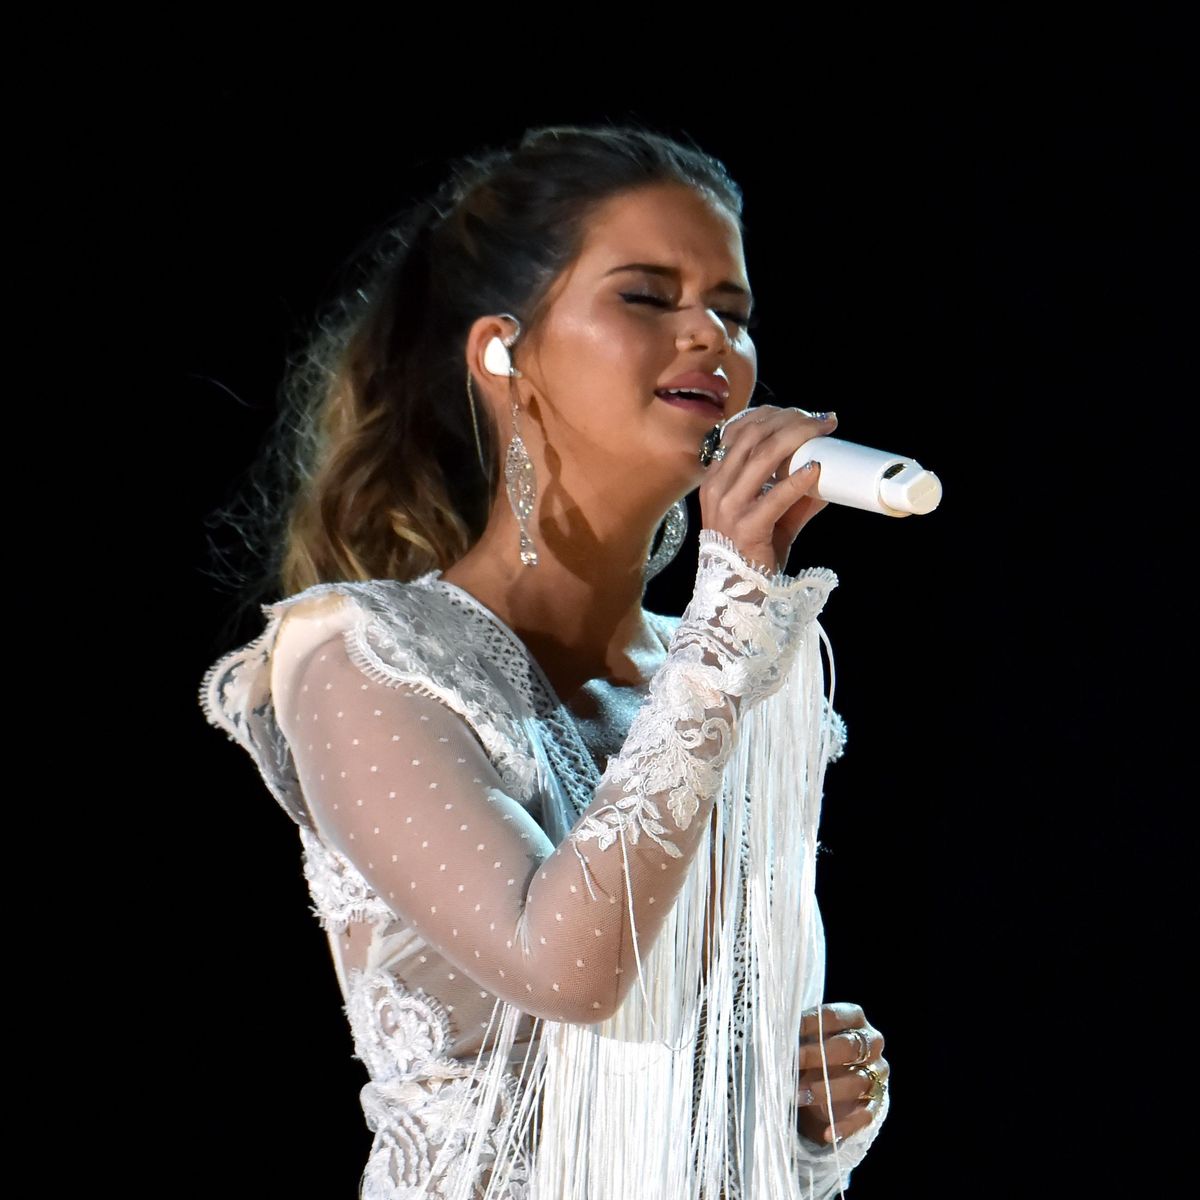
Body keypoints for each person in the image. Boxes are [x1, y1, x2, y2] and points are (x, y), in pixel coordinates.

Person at [199, 122, 890, 1199]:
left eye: (734, 311)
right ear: (502, 351)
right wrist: (730, 614)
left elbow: (702, 1079)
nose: (707, 335)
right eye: (647, 296)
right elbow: (566, 970)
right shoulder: (364, 659)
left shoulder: (722, 670)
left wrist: (797, 1114)